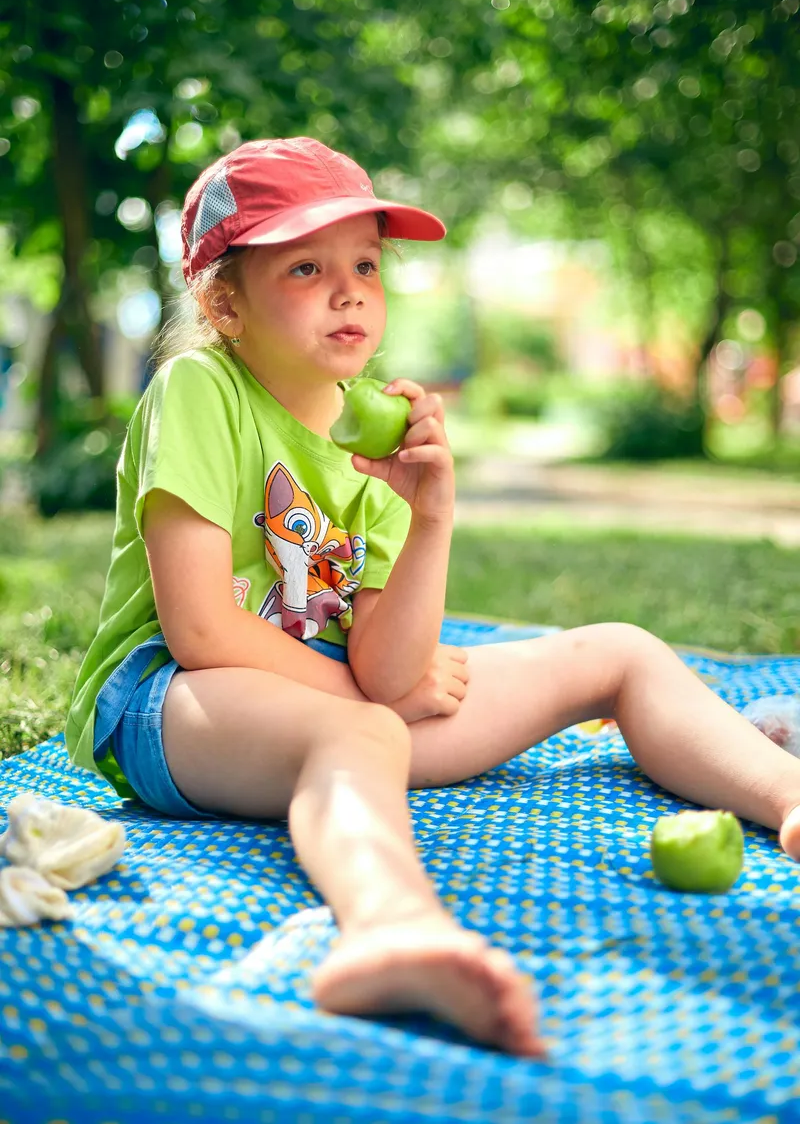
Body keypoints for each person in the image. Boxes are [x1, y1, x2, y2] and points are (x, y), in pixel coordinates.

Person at [66, 137, 800, 1058]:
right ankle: (389, 928)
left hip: (336, 701)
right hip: (171, 700)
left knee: (618, 648)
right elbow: (202, 626)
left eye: (366, 264)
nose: (350, 290)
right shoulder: (200, 388)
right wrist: (375, 702)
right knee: (364, 729)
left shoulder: (374, 439)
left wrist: (430, 515)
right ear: (225, 301)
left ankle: (787, 794)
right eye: (305, 265)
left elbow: (390, 666)